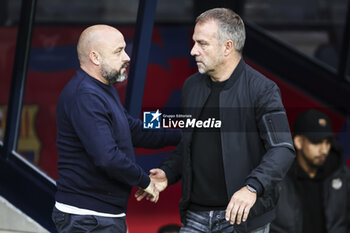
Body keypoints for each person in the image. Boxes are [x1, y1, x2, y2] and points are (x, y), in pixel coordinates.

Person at [136, 8, 295, 233]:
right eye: (194, 42)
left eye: (202, 44)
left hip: (241, 218)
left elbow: (282, 149)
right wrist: (167, 173)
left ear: (227, 46)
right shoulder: (191, 87)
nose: (193, 51)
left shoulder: (262, 90)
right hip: (195, 216)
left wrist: (252, 187)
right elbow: (188, 145)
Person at [52, 25, 181, 233]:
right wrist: (144, 181)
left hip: (100, 217)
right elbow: (107, 157)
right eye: (118, 51)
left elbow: (135, 130)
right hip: (88, 220)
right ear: (95, 57)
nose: (127, 57)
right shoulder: (86, 95)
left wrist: (189, 126)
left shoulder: (101, 89)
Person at [270, 109, 350, 233]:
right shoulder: (276, 177)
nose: (324, 150)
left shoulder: (342, 176)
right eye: (316, 142)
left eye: (327, 142)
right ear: (298, 142)